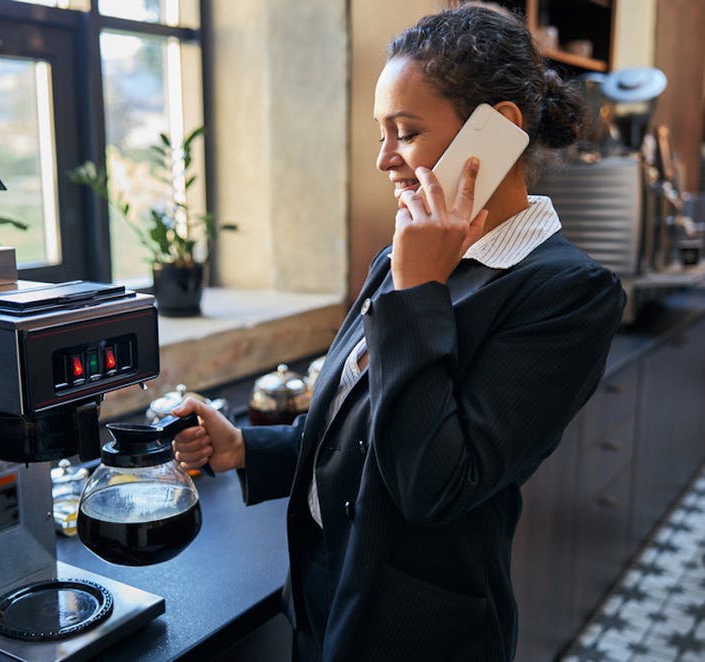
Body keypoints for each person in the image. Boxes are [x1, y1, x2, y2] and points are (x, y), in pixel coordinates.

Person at [172, 5, 626, 661]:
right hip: (325, 599)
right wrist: (246, 447)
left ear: (497, 132)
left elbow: (435, 484)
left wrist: (418, 291)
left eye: (405, 133)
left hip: (417, 636)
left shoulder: (566, 294)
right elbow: (359, 425)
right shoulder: (404, 254)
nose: (385, 160)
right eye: (381, 134)